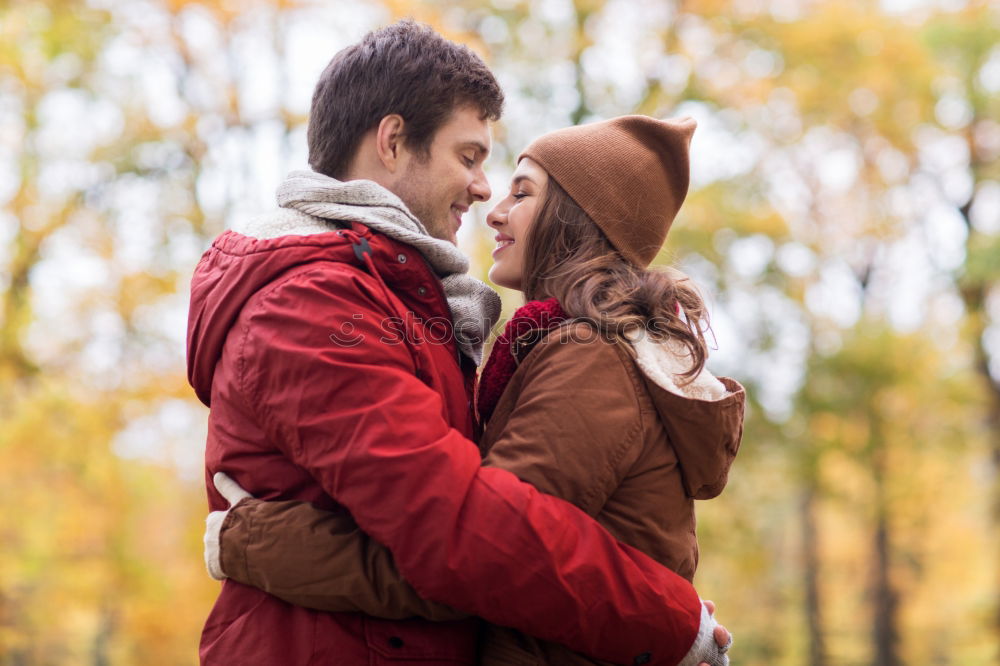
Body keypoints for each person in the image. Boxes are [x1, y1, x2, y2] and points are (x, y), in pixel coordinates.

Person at [187, 19, 732, 666]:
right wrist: (669, 621)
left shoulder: (511, 332)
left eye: (513, 187)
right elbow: (464, 536)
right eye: (470, 157)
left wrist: (260, 543)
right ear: (392, 142)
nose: (485, 194)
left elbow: (471, 536)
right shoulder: (315, 301)